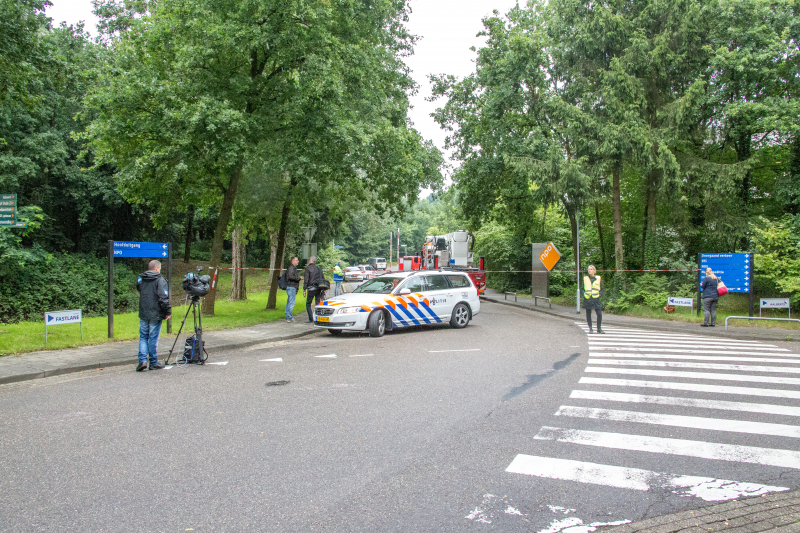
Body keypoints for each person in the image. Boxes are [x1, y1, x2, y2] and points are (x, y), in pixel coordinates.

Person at [136, 260, 172, 371]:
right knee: (152, 338)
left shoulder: (141, 278)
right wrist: (167, 311)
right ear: (157, 269)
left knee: (143, 337)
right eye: (159, 269)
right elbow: (163, 297)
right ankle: (153, 362)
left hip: (144, 312)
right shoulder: (160, 280)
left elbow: (139, 288)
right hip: (155, 313)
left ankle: (142, 361)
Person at [583, 265, 604, 334]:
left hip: (596, 299)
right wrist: (584, 294)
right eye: (589, 269)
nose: (589, 270)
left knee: (599, 314)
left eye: (591, 269)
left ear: (594, 270)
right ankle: (590, 328)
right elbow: (582, 289)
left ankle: (599, 328)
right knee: (588, 314)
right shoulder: (585, 278)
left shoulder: (598, 278)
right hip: (588, 299)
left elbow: (602, 288)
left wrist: (600, 294)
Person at [303, 256, 323, 323]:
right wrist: (323, 289)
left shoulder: (308, 268)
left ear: (310, 261)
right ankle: (318, 318)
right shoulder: (318, 268)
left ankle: (311, 319)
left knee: (308, 303)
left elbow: (306, 279)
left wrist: (304, 289)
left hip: (311, 288)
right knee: (318, 303)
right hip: (318, 288)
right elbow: (322, 278)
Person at [285, 256, 300, 323]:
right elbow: (291, 276)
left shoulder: (293, 268)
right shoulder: (291, 268)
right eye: (296, 260)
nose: (298, 261)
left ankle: (287, 316)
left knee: (289, 302)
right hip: (291, 286)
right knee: (291, 303)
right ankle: (289, 317)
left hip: (291, 287)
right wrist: (299, 278)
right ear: (292, 261)